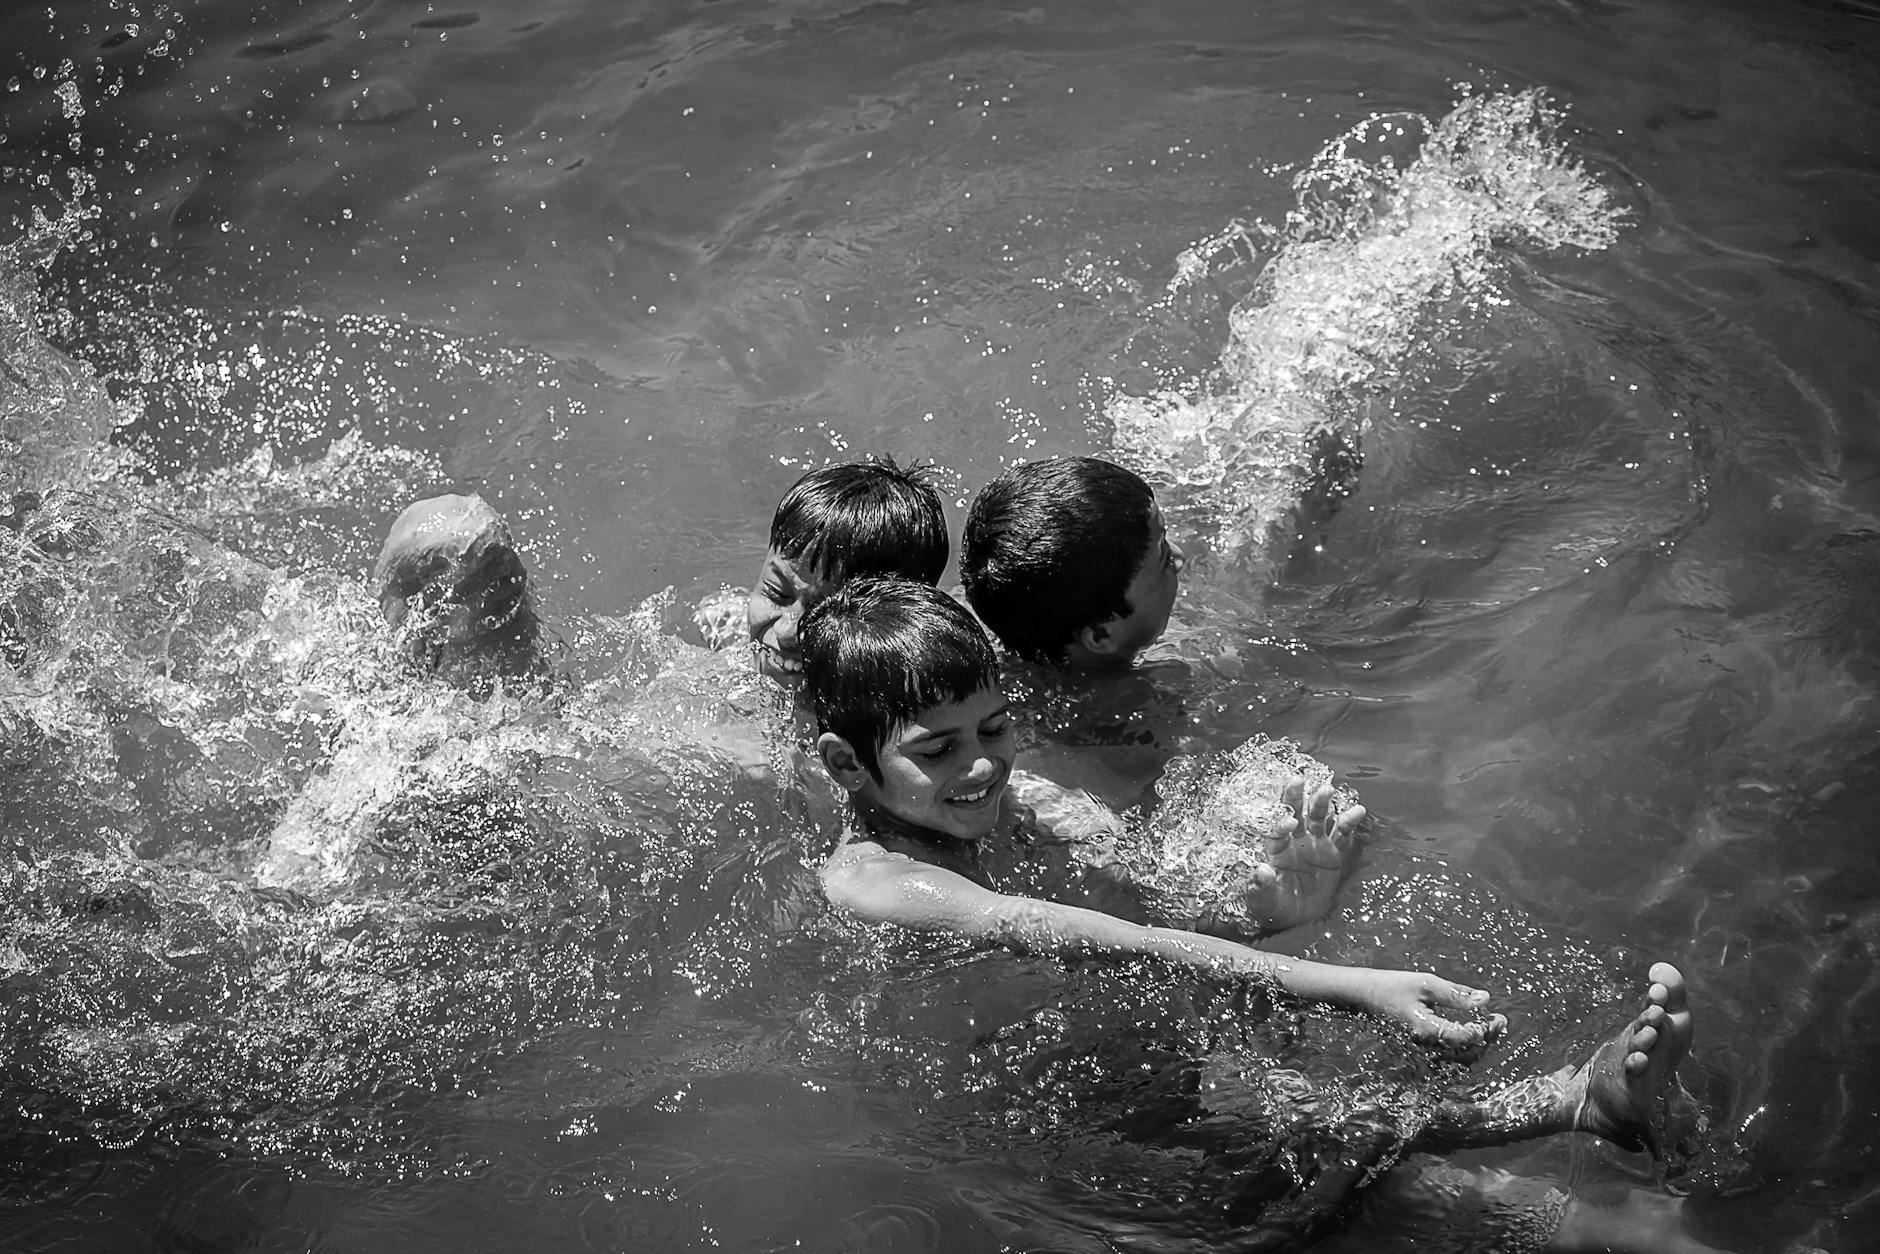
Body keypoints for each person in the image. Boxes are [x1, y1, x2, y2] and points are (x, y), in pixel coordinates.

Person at [799, 577, 1724, 1254]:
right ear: (847, 765)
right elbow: (1101, 938)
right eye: (939, 749)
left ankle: (1577, 1110)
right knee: (1315, 1202)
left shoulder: (1020, 807)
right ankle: (1590, 1145)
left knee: (1334, 1153)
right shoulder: (875, 882)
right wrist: (1344, 985)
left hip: (1105, 1040)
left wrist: (1274, 910)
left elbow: (1153, 918)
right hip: (1018, 1106)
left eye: (996, 729)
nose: (983, 767)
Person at [960, 454, 1183, 668]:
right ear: (1100, 635)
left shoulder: (998, 611)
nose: (1180, 557)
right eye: (1165, 561)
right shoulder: (1155, 698)